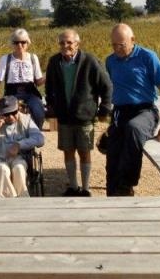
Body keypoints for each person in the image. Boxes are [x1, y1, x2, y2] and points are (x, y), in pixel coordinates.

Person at [105, 23, 160, 197]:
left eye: (120, 45)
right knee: (112, 151)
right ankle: (113, 194)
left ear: (132, 40)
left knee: (134, 128)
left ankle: (127, 183)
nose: (116, 49)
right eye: (113, 45)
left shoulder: (148, 57)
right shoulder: (110, 61)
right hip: (120, 111)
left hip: (145, 111)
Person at [45, 29, 112, 197]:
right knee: (68, 151)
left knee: (84, 152)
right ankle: (73, 187)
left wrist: (104, 108)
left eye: (69, 42)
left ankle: (86, 188)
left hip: (85, 116)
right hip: (64, 116)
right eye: (62, 42)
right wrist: (52, 104)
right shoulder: (54, 62)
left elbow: (107, 86)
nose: (65, 46)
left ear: (77, 43)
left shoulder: (90, 61)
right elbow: (49, 87)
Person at [0, 96, 45, 197]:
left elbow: (40, 139)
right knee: (3, 169)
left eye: (13, 113)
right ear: (1, 113)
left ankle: (23, 198)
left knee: (19, 168)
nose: (11, 116)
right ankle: (7, 201)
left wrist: (20, 145)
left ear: (18, 109)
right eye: (6, 114)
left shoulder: (26, 120)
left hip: (19, 158)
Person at [0, 28, 46, 129]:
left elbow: (38, 82)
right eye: (16, 42)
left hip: (31, 93)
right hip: (12, 94)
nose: (20, 45)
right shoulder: (5, 59)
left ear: (28, 43)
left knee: (38, 112)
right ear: (12, 44)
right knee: (11, 116)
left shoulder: (33, 58)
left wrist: (48, 74)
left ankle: (35, 135)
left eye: (23, 42)